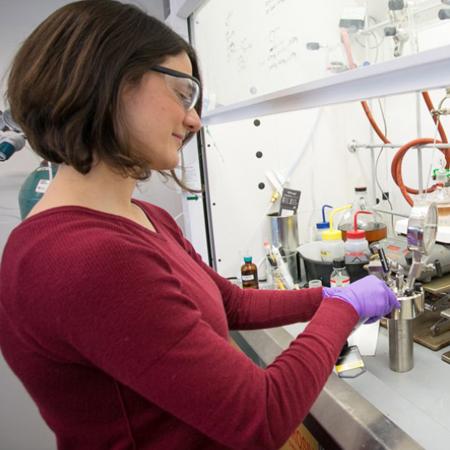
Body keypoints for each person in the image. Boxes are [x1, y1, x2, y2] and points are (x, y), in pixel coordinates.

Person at [0, 1, 400, 449]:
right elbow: (261, 416)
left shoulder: (142, 218)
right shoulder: (85, 258)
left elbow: (231, 305)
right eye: (181, 94)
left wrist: (327, 295)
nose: (193, 119)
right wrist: (342, 310)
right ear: (107, 81)